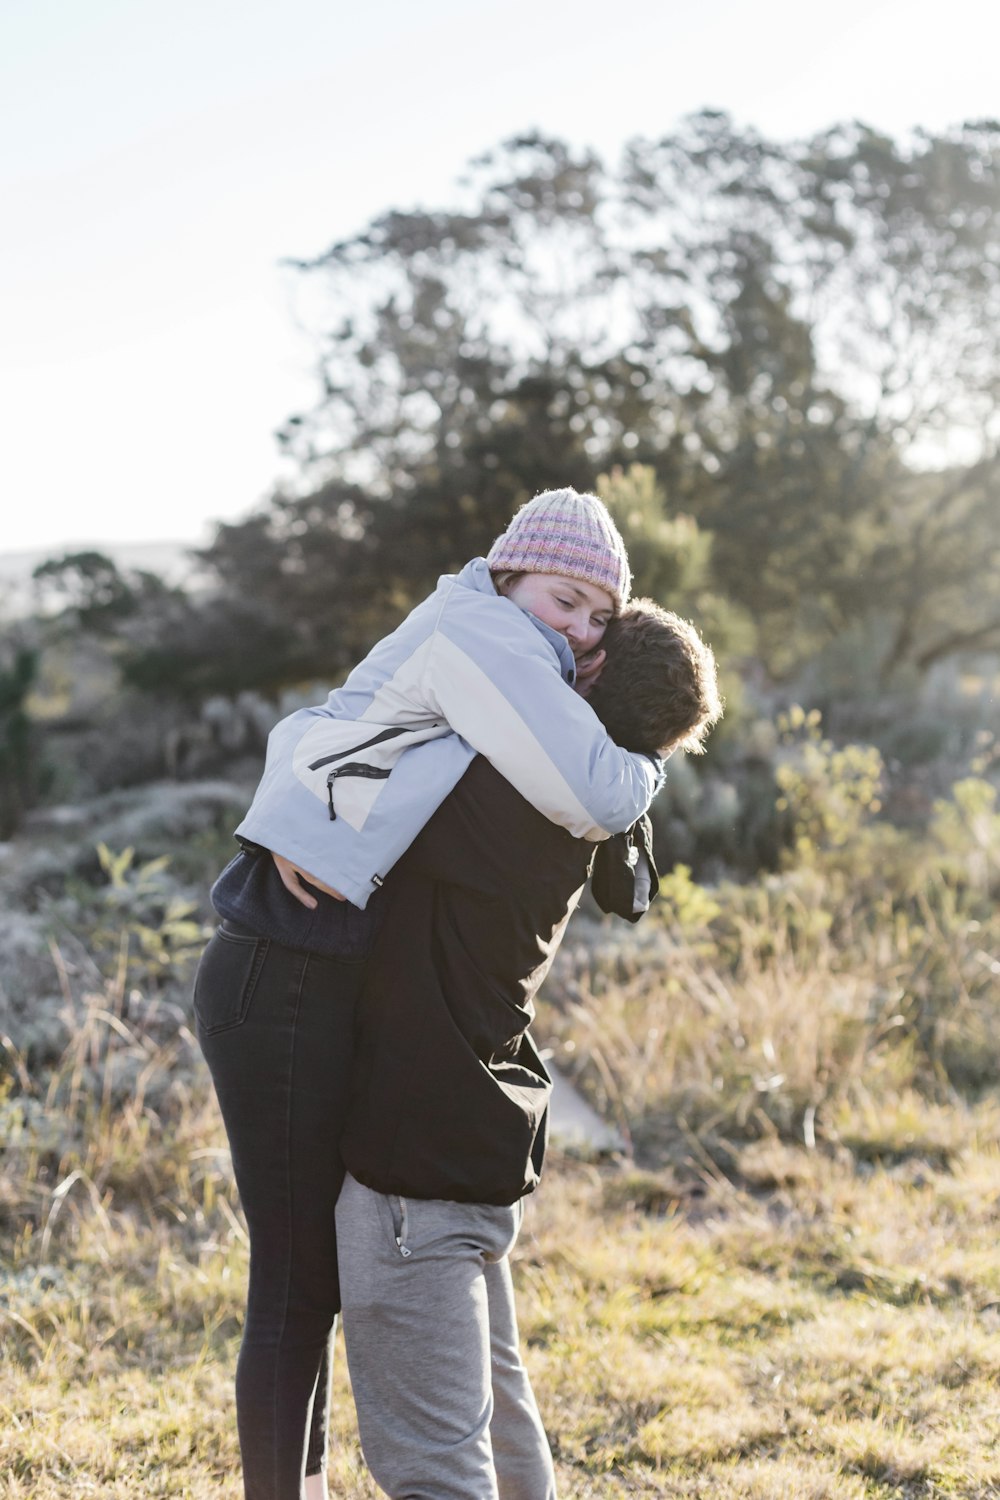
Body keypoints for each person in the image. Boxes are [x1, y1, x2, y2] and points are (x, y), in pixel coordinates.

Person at [194, 490, 663, 1500]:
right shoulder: (484, 628)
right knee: (293, 1275)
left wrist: (304, 791)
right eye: (566, 597)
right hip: (275, 964)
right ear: (510, 574)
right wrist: (648, 770)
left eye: (598, 617)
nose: (579, 627)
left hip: (325, 969)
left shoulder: (494, 652)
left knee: (314, 1272)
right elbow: (594, 789)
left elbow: (326, 722)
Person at [334, 600, 722, 1499]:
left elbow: (352, 762)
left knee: (437, 1468)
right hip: (477, 1143)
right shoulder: (586, 812)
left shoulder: (482, 793)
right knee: (505, 1438)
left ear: (580, 677)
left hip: (411, 1168)